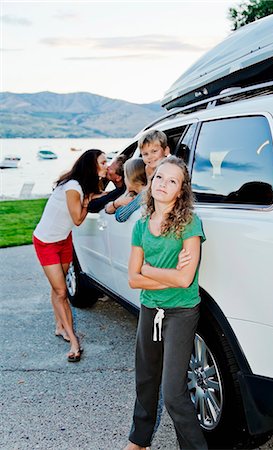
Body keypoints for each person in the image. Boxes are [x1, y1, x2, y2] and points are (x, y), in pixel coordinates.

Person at [124, 156, 208, 450]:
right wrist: (168, 275)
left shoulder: (189, 223)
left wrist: (148, 270)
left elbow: (185, 281)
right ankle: (139, 439)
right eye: (159, 177)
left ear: (181, 190)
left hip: (181, 312)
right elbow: (132, 280)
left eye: (172, 181)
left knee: (173, 393)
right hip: (150, 308)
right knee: (145, 379)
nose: (163, 184)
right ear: (151, 180)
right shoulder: (142, 225)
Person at [33, 149, 107, 363]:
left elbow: (98, 196)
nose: (106, 165)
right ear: (92, 165)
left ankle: (59, 325)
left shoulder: (83, 185)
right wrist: (87, 201)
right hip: (46, 242)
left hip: (64, 240)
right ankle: (73, 340)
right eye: (103, 162)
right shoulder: (73, 187)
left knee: (58, 288)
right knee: (61, 291)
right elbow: (77, 219)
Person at [105, 157, 147, 222]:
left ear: (131, 178)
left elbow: (120, 216)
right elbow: (107, 209)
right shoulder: (140, 194)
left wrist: (121, 201)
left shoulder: (143, 196)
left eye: (125, 176)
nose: (124, 180)